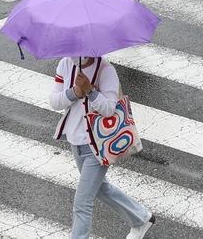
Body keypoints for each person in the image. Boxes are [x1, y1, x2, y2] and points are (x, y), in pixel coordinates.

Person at [48, 56, 155, 239]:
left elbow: (109, 110)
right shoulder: (65, 64)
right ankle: (141, 218)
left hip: (97, 146)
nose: (76, 56)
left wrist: (90, 90)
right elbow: (54, 101)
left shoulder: (106, 70)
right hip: (75, 142)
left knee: (82, 203)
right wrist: (74, 92)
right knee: (100, 188)